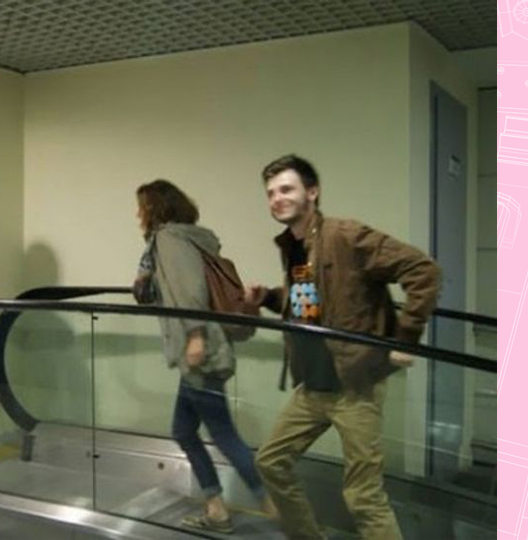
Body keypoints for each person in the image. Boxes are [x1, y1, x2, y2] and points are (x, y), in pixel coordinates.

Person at [246, 154, 441, 540]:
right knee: (271, 462)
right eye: (271, 193)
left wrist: (407, 337)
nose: (277, 199)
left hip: (355, 388)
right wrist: (268, 296)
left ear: (312, 192)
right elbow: (309, 303)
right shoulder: (295, 246)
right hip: (313, 388)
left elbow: (424, 271)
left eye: (286, 189)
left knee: (363, 496)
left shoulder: (344, 236)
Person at [133, 179, 275, 534]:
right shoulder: (190, 238)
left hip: (200, 350)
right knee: (183, 430)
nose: (138, 214)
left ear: (154, 208)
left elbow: (190, 289)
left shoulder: (169, 239)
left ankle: (276, 504)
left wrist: (195, 337)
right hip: (200, 350)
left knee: (224, 434)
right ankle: (216, 509)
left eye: (141, 206)